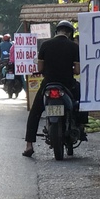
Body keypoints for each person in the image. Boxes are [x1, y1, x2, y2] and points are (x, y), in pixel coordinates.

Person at [23, 20, 80, 157]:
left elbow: (40, 68)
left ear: (57, 31)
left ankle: (29, 145)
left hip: (48, 84)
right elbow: (77, 70)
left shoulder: (45, 44)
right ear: (70, 33)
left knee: (35, 112)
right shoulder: (74, 46)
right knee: (79, 105)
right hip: (67, 84)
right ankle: (79, 128)